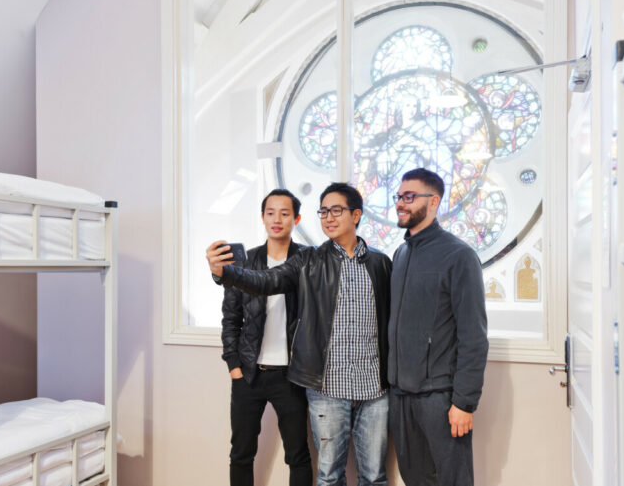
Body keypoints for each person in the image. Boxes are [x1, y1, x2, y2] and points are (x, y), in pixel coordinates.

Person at [207, 183, 392, 486]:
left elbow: (391, 321)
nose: (329, 217)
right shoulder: (309, 262)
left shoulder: (380, 263)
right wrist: (223, 272)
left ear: (356, 214)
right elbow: (264, 282)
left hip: (371, 389)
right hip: (324, 386)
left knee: (373, 476)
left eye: (337, 210)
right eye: (324, 211)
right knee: (328, 476)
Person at [388, 167, 488, 486]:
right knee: (415, 479)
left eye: (409, 196)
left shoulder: (459, 256)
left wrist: (463, 402)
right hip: (401, 394)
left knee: (453, 480)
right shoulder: (401, 254)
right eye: (398, 197)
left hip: (440, 398)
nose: (401, 203)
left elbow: (474, 336)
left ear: (434, 202)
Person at [219, 189, 312, 486]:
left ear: (296, 219)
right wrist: (234, 365)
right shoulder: (245, 262)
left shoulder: (307, 262)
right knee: (241, 453)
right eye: (270, 212)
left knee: (298, 455)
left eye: (285, 213)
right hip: (249, 374)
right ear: (262, 217)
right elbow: (231, 317)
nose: (277, 219)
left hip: (291, 376)